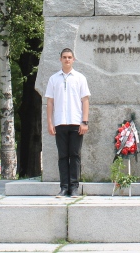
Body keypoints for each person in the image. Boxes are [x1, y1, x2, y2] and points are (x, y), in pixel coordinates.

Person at [45, 48, 91, 197]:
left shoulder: (80, 78)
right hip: (60, 123)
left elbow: (85, 100)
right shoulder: (54, 79)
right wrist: (50, 123)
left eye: (69, 57)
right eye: (64, 57)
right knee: (63, 156)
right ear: (60, 59)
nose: (67, 60)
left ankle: (74, 187)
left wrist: (84, 121)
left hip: (76, 122)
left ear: (73, 60)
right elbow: (50, 102)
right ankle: (64, 187)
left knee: (75, 155)